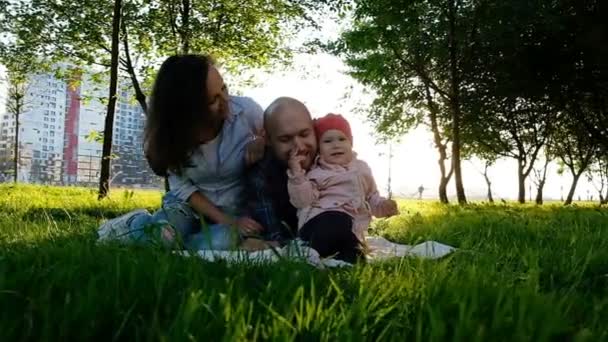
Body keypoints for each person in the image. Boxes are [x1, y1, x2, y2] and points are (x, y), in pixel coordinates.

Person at [97, 54, 266, 250]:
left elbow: (276, 136)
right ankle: (132, 224)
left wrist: (260, 140)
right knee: (164, 238)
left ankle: (186, 244)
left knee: (222, 241)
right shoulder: (171, 137)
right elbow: (184, 189)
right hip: (186, 206)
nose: (226, 100)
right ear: (187, 111)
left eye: (224, 88)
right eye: (213, 100)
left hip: (236, 207)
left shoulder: (247, 112)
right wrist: (226, 221)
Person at [286, 113, 399, 263]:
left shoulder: (362, 169)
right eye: (327, 141)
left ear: (351, 143)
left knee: (350, 243)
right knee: (338, 220)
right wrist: (297, 175)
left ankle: (349, 254)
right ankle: (309, 246)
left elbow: (371, 196)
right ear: (319, 148)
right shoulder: (317, 172)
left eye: (342, 139)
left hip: (350, 227)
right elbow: (302, 201)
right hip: (318, 222)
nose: (336, 144)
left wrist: (383, 206)